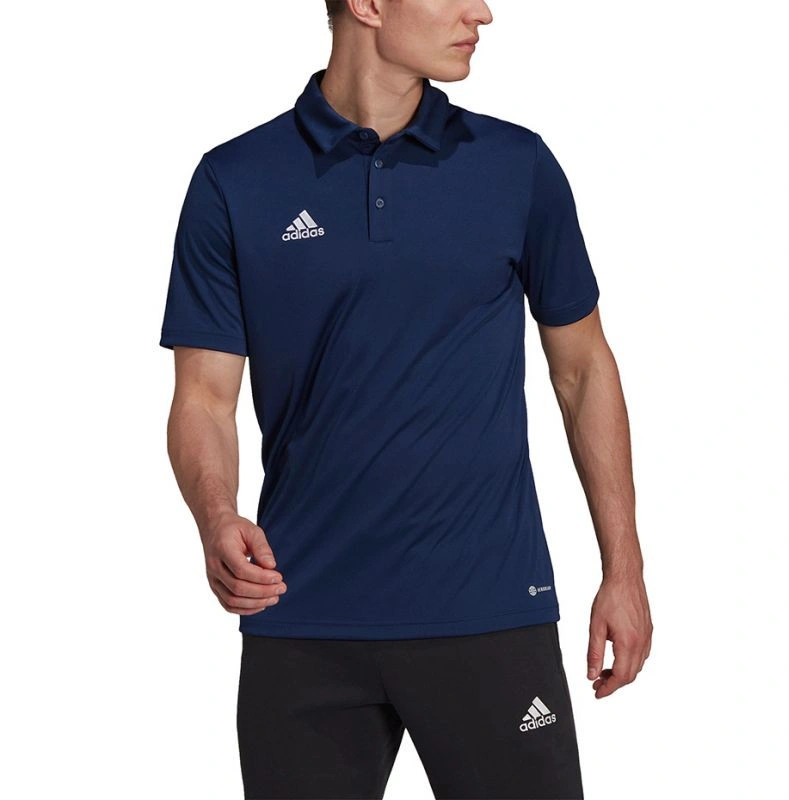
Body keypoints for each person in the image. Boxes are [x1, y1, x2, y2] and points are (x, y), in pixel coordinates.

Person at [159, 1, 653, 797]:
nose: (481, 12)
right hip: (303, 617)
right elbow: (204, 399)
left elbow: (583, 370)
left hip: (489, 609)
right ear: (367, 5)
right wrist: (216, 516)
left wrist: (622, 569)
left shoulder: (516, 166)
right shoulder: (236, 180)